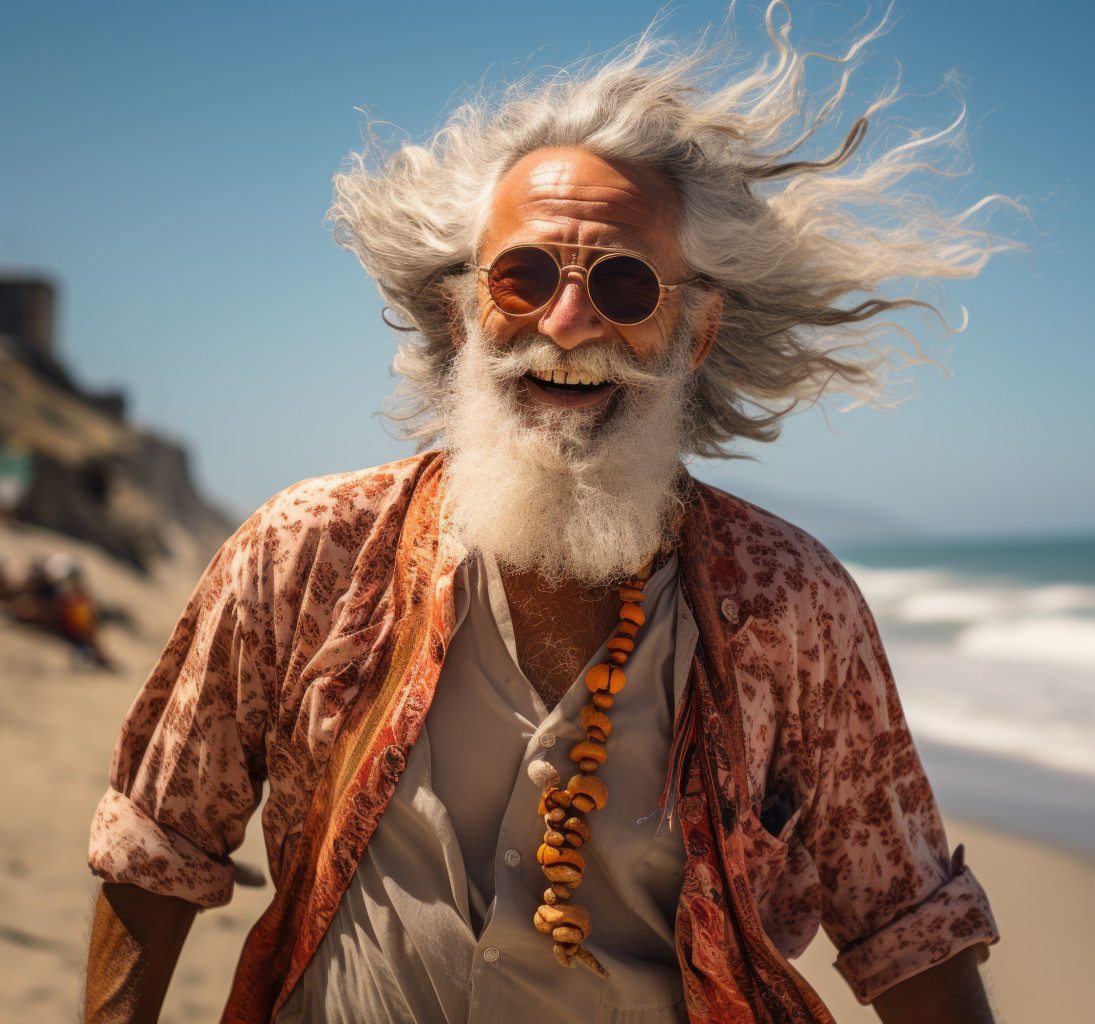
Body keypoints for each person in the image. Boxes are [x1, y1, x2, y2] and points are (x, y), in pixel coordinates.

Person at [85, 9, 1010, 1023]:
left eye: (621, 285)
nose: (566, 328)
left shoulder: (792, 604)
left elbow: (909, 927)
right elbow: (157, 845)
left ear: (694, 333)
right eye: (522, 278)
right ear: (460, 311)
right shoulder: (304, 551)